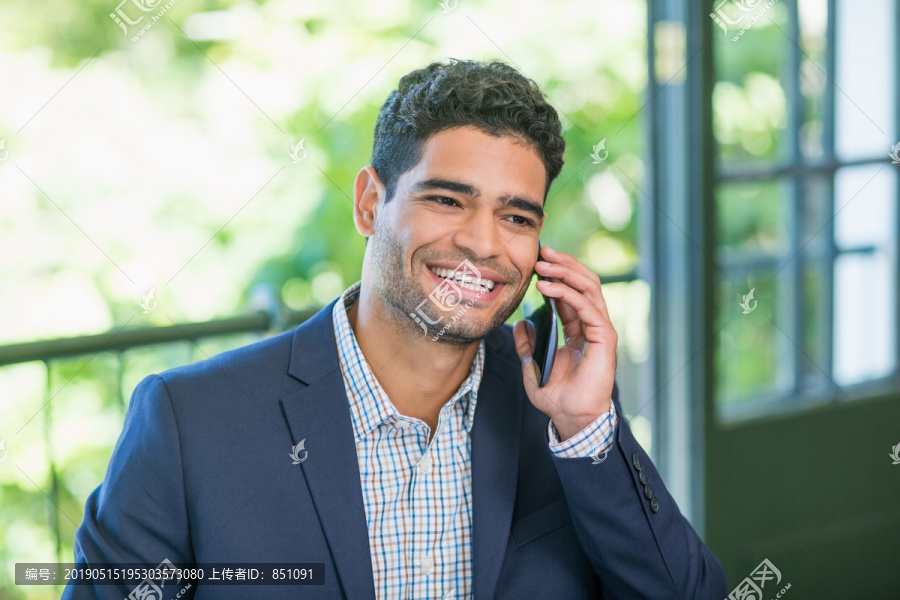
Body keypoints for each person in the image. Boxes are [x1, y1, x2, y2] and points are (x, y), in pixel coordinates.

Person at [63, 58, 727, 599]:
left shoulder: (562, 418)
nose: (482, 244)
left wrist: (587, 433)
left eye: (517, 218)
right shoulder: (190, 423)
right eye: (447, 199)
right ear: (369, 203)